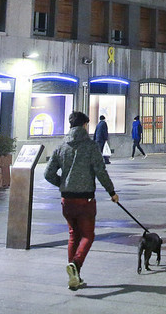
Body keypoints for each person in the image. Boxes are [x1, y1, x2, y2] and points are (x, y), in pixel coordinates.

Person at [44, 111, 118, 291]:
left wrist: (62, 183)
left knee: (73, 235)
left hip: (67, 200)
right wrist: (111, 192)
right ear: (85, 125)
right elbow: (100, 171)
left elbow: (48, 173)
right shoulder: (90, 146)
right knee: (88, 235)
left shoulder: (61, 147)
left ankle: (74, 275)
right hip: (85, 198)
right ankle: (75, 265)